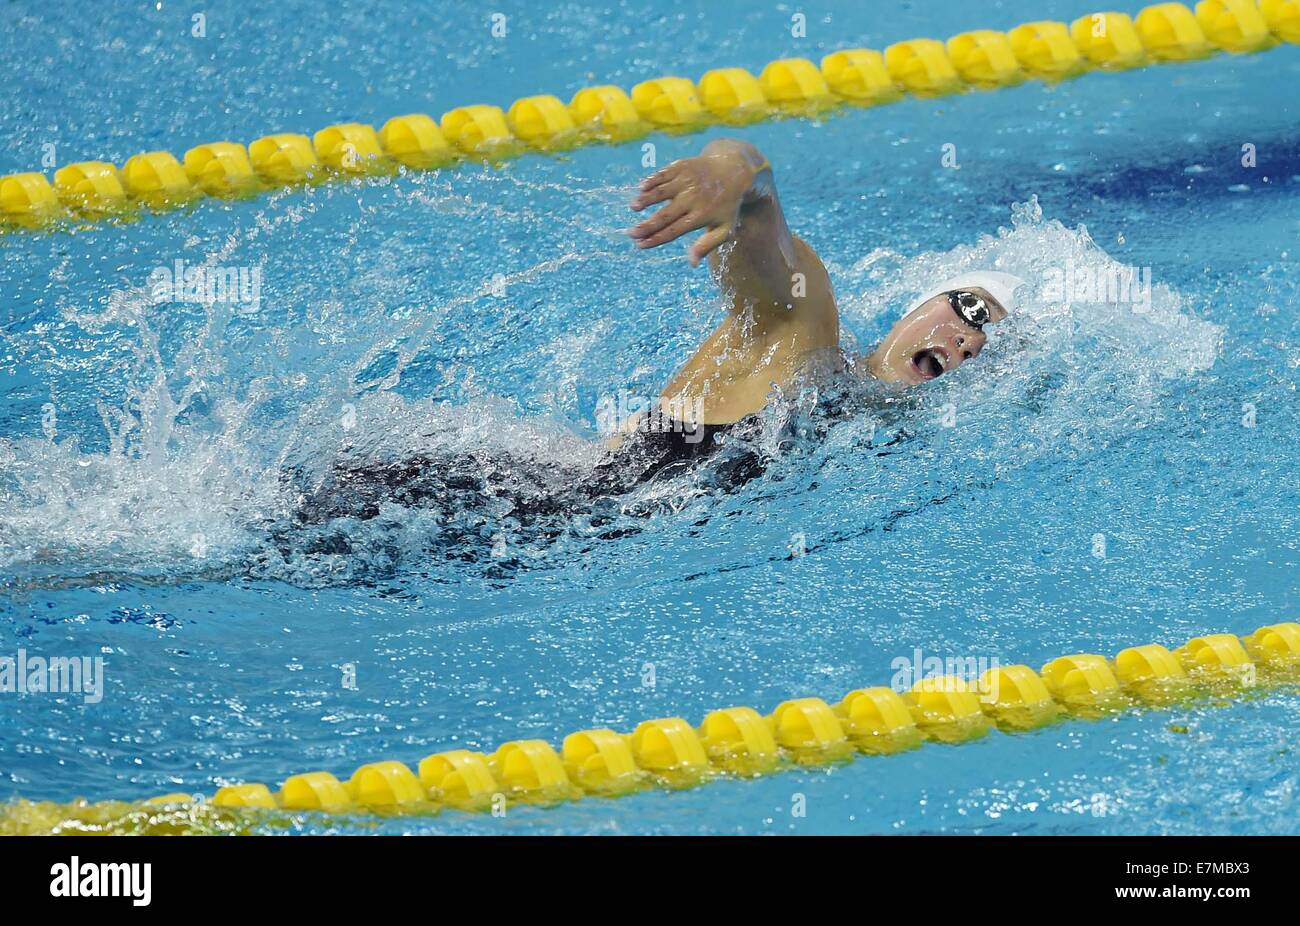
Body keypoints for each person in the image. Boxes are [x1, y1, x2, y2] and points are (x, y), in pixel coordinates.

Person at [613, 137, 1024, 471]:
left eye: (993, 351)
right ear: (917, 308)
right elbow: (757, 204)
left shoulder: (855, 449)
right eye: (975, 311)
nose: (972, 342)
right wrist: (731, 174)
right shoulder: (805, 337)